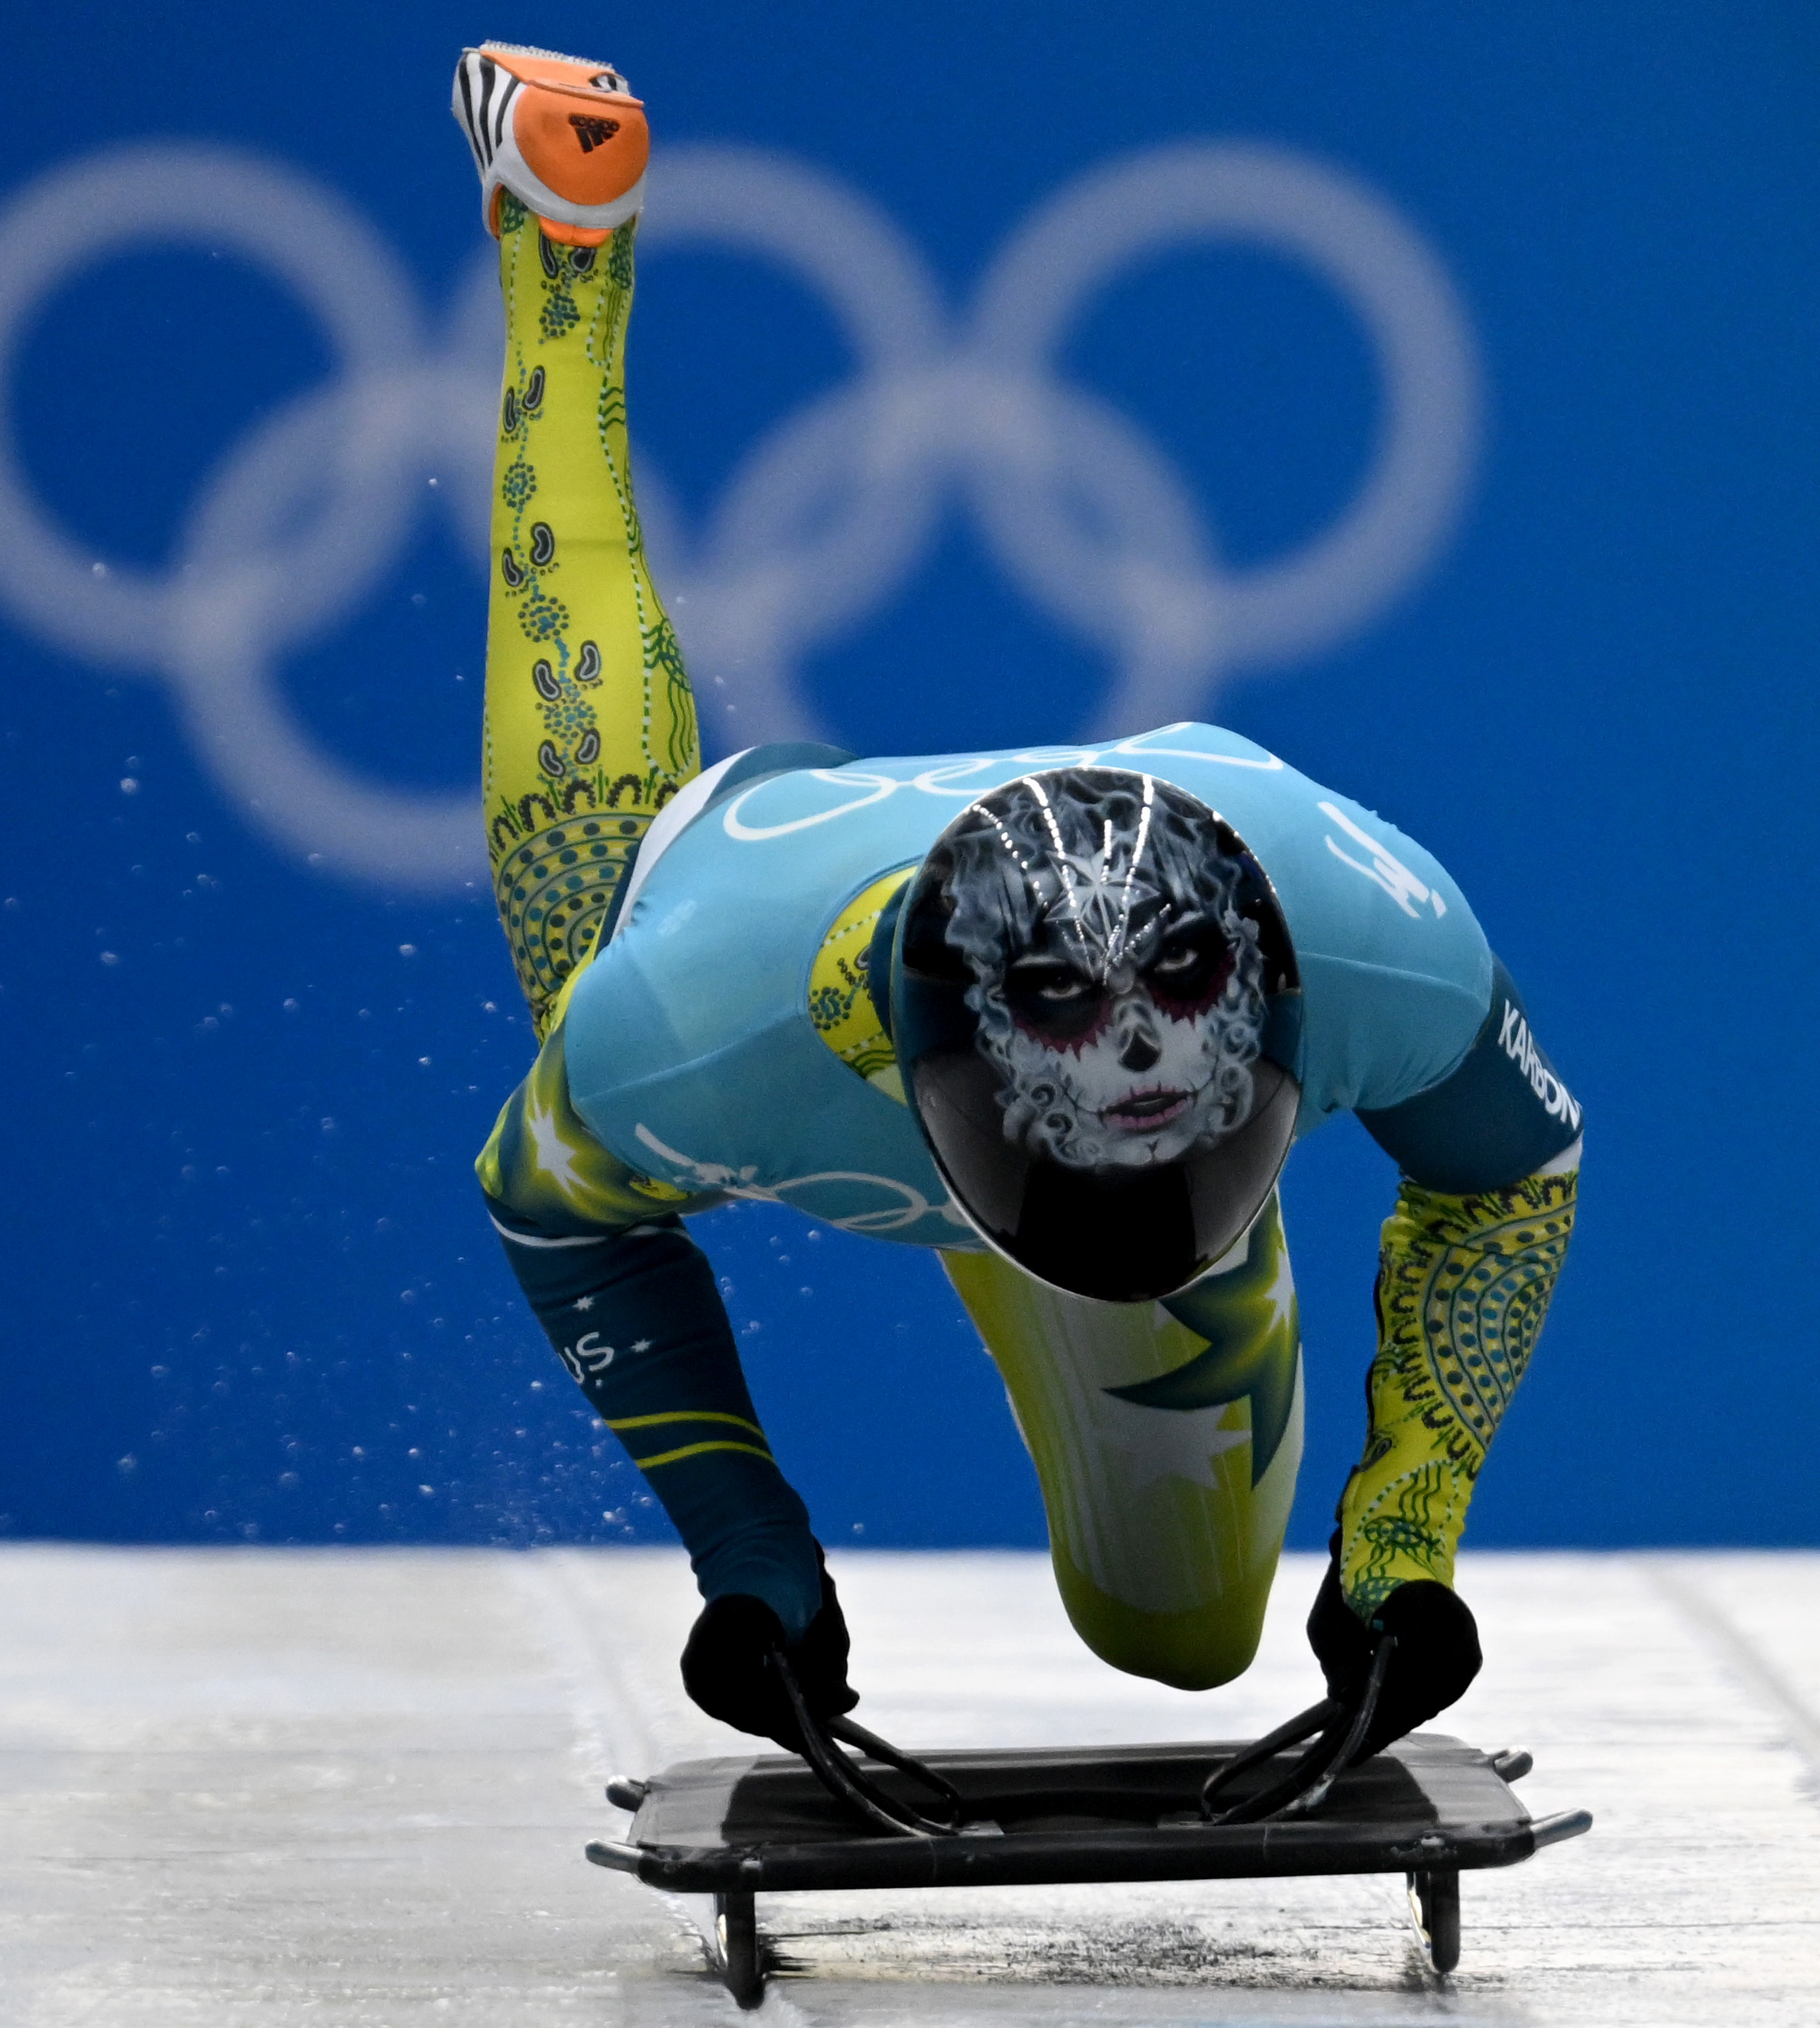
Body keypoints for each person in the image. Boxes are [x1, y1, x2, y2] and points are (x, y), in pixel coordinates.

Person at [450, 44, 1582, 1764]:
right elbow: (554, 1212)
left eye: (1195, 1143)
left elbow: (1520, 1177)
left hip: (1152, 906)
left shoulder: (1378, 938)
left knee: (1184, 1640)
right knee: (588, 930)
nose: (1142, 1153)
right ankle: (562, 260)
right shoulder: (693, 1024)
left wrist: (1403, 1549)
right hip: (748, 894)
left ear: (1272, 1018)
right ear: (925, 1079)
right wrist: (750, 1561)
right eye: (1092, 1151)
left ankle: (1165, 1209)